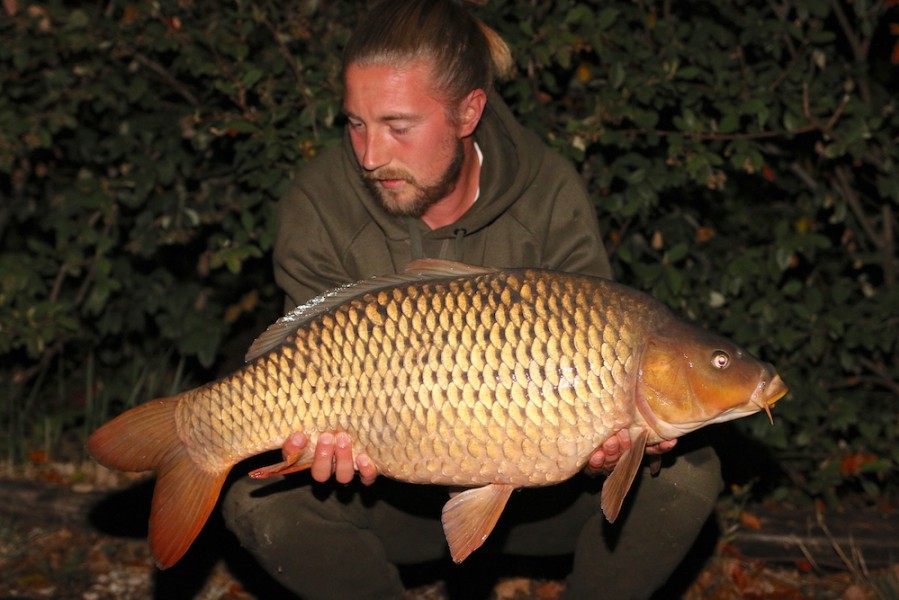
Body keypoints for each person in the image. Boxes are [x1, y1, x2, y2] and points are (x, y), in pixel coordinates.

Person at [222, 1, 723, 598]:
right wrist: (321, 444)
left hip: (546, 501)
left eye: (398, 126)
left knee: (687, 474)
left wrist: (609, 450)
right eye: (356, 123)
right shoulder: (320, 202)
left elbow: (603, 343)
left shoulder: (549, 192)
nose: (370, 155)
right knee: (257, 501)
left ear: (468, 111)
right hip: (387, 493)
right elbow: (308, 355)